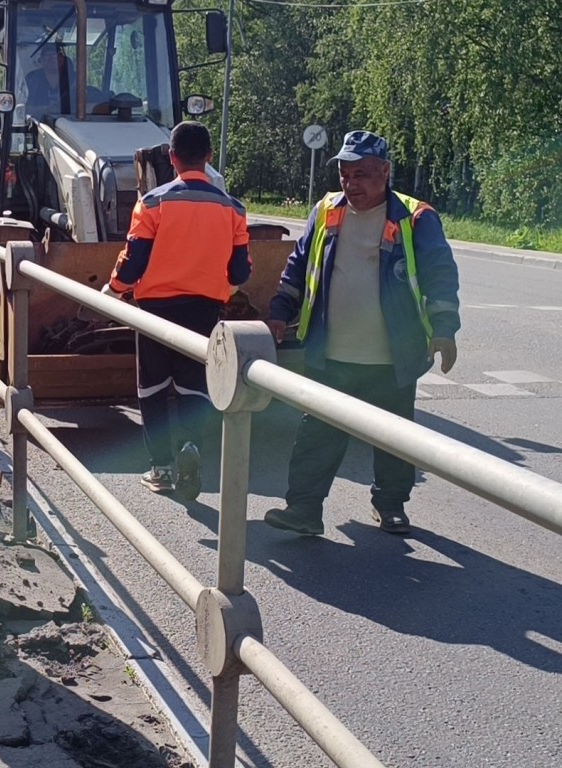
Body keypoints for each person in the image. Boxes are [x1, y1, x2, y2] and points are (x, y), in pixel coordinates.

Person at [264, 129, 460, 537]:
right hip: (330, 352)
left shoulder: (415, 216)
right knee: (317, 433)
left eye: (364, 175)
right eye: (346, 175)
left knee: (394, 437)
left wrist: (444, 329)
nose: (353, 185)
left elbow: (439, 276)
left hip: (392, 354)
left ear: (385, 172)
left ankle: (390, 506)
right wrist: (280, 312)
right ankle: (303, 509)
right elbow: (299, 266)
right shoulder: (327, 210)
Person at [103, 120, 250, 500]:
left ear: (171, 158)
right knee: (193, 386)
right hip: (204, 310)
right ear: (209, 157)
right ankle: (192, 446)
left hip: (154, 310)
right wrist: (222, 290)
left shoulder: (152, 203)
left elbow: (133, 259)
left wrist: (114, 289)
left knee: (151, 387)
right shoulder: (233, 208)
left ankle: (161, 467)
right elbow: (241, 271)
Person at [24, 43, 75, 116]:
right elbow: (23, 107)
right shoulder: (31, 79)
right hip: (36, 123)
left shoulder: (75, 80)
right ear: (41, 60)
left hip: (69, 123)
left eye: (54, 56)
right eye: (46, 56)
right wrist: (46, 110)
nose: (50, 59)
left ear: (62, 59)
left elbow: (83, 105)